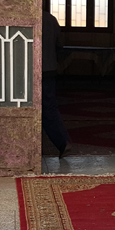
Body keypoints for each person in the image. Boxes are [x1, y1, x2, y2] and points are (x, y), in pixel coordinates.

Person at [42, 10, 71, 158]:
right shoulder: (51, 19)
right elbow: (60, 44)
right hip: (49, 69)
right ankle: (62, 141)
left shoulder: (25, 17)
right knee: (49, 108)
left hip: (29, 71)